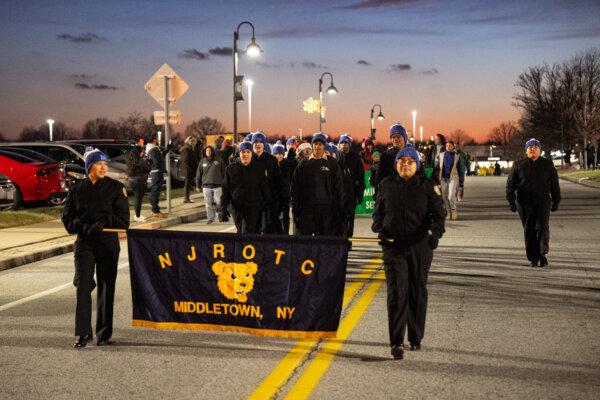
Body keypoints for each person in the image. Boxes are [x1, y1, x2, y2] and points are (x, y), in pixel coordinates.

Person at [372, 144, 445, 360]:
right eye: (401, 161)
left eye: (410, 161)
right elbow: (378, 215)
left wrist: (433, 236)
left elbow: (439, 216)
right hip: (393, 247)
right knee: (397, 293)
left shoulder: (427, 186)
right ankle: (397, 341)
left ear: (417, 164)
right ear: (396, 164)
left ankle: (415, 336)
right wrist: (380, 231)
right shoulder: (386, 185)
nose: (405, 164)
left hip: (419, 247)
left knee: (417, 290)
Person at [61, 149, 130, 349]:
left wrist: (103, 222)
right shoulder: (76, 189)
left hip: (108, 244)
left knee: (106, 288)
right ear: (89, 166)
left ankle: (104, 333)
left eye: (105, 164)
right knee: (82, 287)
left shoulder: (116, 188)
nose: (104, 167)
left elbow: (123, 221)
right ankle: (83, 333)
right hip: (84, 244)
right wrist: (81, 226)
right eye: (99, 164)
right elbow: (67, 219)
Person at [506, 138, 561, 268]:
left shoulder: (547, 165)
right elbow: (510, 186)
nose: (533, 149)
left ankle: (542, 254)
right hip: (524, 203)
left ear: (539, 150)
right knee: (529, 230)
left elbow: (554, 185)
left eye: (535, 147)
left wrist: (556, 201)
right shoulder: (518, 165)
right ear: (526, 150)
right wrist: (511, 202)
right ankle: (533, 257)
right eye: (530, 147)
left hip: (543, 202)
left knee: (543, 228)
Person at [291, 132, 344, 237]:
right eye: (315, 143)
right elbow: (295, 187)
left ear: (324, 146)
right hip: (306, 209)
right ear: (312, 145)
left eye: (320, 144)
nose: (318, 146)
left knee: (323, 241)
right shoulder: (304, 163)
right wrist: (295, 210)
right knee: (305, 242)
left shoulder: (332, 163)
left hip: (325, 209)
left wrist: (338, 209)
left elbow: (338, 187)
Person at [220, 141, 270, 234]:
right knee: (242, 232)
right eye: (243, 152)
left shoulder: (259, 168)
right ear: (239, 154)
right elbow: (226, 190)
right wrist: (223, 208)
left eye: (248, 152)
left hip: (253, 207)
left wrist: (267, 207)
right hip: (237, 207)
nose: (245, 154)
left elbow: (264, 188)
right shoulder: (231, 169)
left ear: (252, 154)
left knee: (246, 232)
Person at [251, 132, 284, 234]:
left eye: (260, 142)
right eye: (255, 142)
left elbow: (278, 181)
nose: (257, 144)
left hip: (268, 202)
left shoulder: (271, 159)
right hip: (252, 202)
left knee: (267, 230)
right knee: (252, 231)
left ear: (264, 144)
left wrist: (278, 201)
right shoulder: (247, 158)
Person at [337, 134, 365, 238]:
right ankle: (341, 239)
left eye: (346, 143)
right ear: (339, 145)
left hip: (351, 193)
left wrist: (360, 193)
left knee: (350, 218)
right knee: (340, 218)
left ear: (349, 145)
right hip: (338, 194)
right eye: (342, 143)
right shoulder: (335, 157)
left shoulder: (355, 158)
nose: (344, 145)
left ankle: (348, 239)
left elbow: (361, 177)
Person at [196, 145, 226, 224]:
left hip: (218, 186)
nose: (208, 152)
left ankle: (219, 215)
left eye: (209, 150)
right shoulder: (202, 161)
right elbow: (198, 174)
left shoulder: (219, 160)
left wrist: (224, 183)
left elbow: (224, 172)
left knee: (219, 202)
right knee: (208, 203)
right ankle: (210, 218)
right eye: (206, 151)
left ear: (212, 151)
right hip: (206, 186)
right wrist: (197, 185)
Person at [436, 140, 465, 220]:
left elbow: (460, 170)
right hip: (443, 178)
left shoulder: (457, 156)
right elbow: (438, 166)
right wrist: (435, 174)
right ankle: (448, 212)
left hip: (453, 178)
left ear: (453, 146)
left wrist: (461, 181)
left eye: (449, 145)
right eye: (447, 145)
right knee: (444, 196)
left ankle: (454, 211)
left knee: (451, 195)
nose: (448, 147)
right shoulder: (441, 155)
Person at [375, 123, 408, 188]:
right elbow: (380, 178)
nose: (395, 139)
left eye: (398, 136)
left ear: (404, 138)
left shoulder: (412, 154)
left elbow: (421, 177)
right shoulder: (385, 156)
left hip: (408, 192)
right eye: (393, 137)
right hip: (391, 193)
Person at [273, 143, 296, 234]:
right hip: (273, 196)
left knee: (285, 217)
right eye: (276, 154)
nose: (278, 156)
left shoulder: (286, 164)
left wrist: (290, 161)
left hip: (284, 196)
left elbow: (290, 171)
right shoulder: (271, 165)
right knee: (274, 217)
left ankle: (285, 235)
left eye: (280, 154)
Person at [126, 143, 150, 222]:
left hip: (132, 181)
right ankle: (137, 216)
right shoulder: (140, 160)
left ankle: (138, 214)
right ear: (138, 152)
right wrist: (149, 164)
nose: (143, 152)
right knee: (138, 199)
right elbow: (147, 169)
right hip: (139, 182)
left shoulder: (131, 160)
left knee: (137, 198)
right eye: (142, 151)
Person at [146, 136, 168, 218]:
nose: (158, 141)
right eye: (157, 140)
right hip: (157, 173)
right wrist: (163, 170)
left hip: (154, 173)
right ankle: (155, 211)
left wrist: (167, 149)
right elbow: (157, 162)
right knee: (155, 192)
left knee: (154, 192)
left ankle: (154, 210)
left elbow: (160, 158)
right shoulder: (154, 150)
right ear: (154, 140)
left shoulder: (151, 149)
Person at [179, 136, 199, 203]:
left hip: (188, 169)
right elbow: (185, 160)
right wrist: (189, 168)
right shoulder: (186, 149)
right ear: (189, 142)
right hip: (188, 170)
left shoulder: (188, 148)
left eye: (194, 142)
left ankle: (187, 198)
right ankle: (186, 198)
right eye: (193, 142)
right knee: (187, 184)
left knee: (188, 184)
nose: (194, 144)